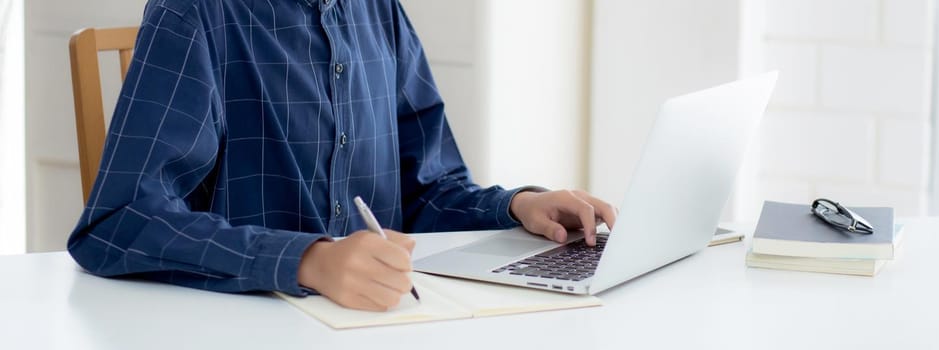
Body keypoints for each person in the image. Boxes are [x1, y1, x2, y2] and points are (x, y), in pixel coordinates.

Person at [67, 0, 616, 312]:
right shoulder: (197, 12)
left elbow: (424, 188)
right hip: (248, 325)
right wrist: (309, 260)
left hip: (380, 324)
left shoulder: (380, 12)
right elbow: (118, 221)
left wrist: (517, 205)